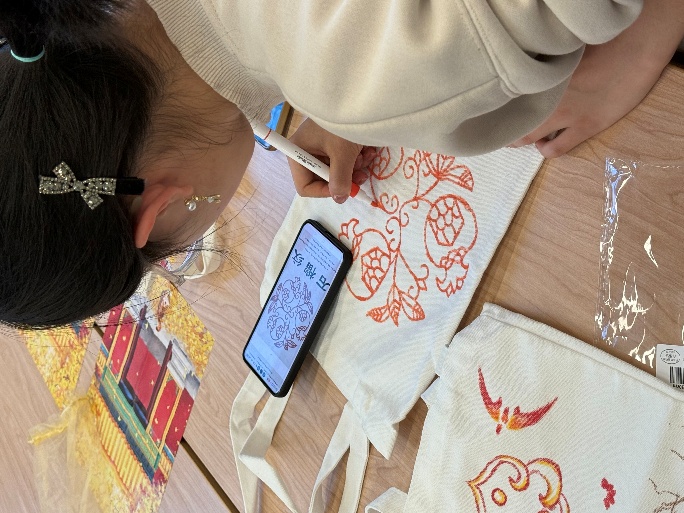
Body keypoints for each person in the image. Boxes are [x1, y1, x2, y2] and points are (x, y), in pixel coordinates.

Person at [1, 0, 682, 329]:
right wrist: (336, 68)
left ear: (159, 211)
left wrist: (653, 25)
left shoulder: (373, 70)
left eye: (174, 254)